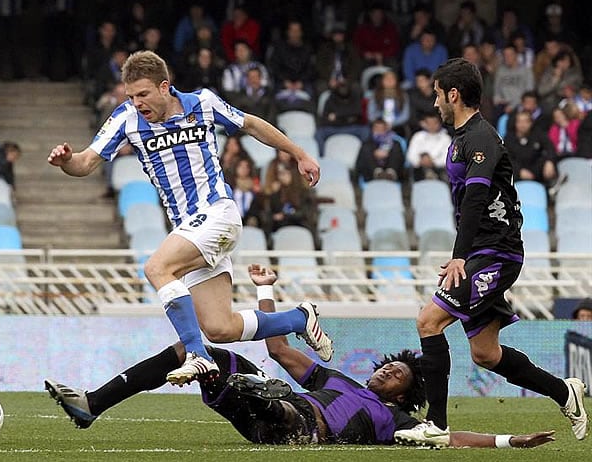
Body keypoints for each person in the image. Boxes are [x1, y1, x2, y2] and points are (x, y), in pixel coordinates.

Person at [47, 50, 329, 386]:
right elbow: (86, 162)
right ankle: (298, 318)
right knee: (220, 327)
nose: (137, 103)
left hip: (218, 213)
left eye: (143, 94)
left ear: (165, 87)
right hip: (190, 229)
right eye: (131, 96)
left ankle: (197, 355)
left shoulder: (203, 103)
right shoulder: (126, 119)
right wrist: (66, 161)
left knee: (157, 268)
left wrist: (299, 154)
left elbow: (250, 124)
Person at [45, 264, 556, 450]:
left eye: (396, 373)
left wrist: (511, 440)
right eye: (386, 365)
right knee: (192, 349)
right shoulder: (335, 378)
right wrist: (266, 291)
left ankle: (239, 388)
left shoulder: (395, 422)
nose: (385, 370)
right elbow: (278, 347)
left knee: (271, 398)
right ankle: (94, 401)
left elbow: (450, 439)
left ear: (406, 393)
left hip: (297, 428)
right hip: (276, 412)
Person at [393, 58, 588, 446]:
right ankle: (566, 393)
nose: (434, 104)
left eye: (437, 95)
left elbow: (478, 199)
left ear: (454, 94)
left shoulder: (481, 138)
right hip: (483, 251)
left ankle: (437, 424)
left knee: (428, 322)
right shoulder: (464, 138)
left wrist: (460, 256)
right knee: (486, 354)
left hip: (495, 254)